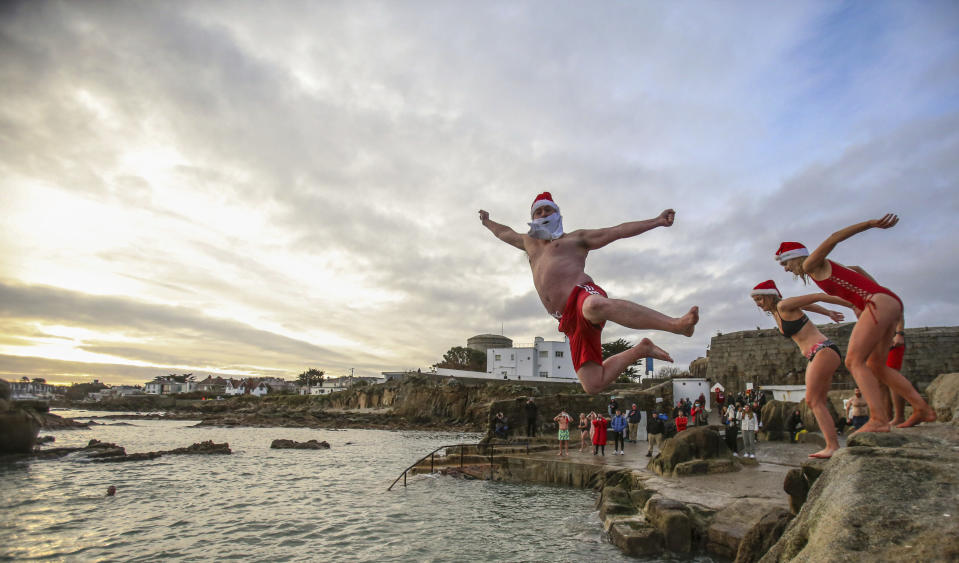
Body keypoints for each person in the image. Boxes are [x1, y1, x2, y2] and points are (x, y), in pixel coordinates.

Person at [479, 194, 699, 394]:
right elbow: (504, 232)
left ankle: (677, 325)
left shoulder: (575, 239)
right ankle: (642, 349)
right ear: (533, 217)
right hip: (567, 319)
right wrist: (488, 222)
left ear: (558, 214)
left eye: (549, 210)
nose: (544, 214)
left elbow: (617, 231)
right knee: (593, 384)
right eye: (539, 211)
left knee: (593, 305)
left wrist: (657, 221)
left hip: (582, 294)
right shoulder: (529, 243)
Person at [775, 218, 935, 432]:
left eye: (785, 263)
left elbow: (834, 238)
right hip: (887, 302)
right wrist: (866, 297)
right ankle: (921, 407)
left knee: (853, 361)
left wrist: (870, 224)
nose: (786, 269)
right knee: (876, 366)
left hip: (877, 303)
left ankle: (878, 419)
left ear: (795, 257)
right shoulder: (824, 269)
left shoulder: (809, 264)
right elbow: (857, 269)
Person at [751, 279, 845, 458]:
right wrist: (827, 313)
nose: (758, 303)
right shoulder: (778, 312)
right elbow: (808, 306)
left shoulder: (784, 305)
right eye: (756, 300)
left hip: (822, 350)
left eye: (760, 299)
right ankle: (833, 446)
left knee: (812, 400)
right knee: (818, 401)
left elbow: (816, 297)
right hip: (816, 354)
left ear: (771, 296)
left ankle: (832, 446)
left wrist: (854, 303)